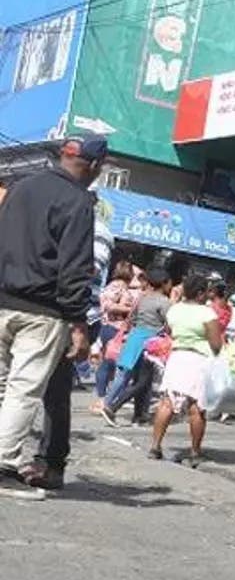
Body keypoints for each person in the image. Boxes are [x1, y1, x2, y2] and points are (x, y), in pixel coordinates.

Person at [0, 135, 104, 499]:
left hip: (2, 301)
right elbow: (75, 267)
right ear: (94, 166)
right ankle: (3, 466)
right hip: (41, 311)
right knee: (23, 390)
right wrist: (78, 322)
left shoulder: (20, 187)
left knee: (1, 386)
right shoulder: (78, 201)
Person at [148, 275, 223, 466]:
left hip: (176, 358)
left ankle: (155, 446)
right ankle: (195, 452)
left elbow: (169, 331)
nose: (208, 295)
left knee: (167, 402)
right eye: (206, 291)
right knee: (196, 408)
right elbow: (216, 345)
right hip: (197, 360)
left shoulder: (175, 310)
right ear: (199, 294)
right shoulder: (207, 314)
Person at [101, 269, 172, 426]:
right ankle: (112, 407)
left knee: (141, 379)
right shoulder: (165, 302)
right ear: (164, 283)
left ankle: (139, 415)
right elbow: (170, 324)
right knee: (143, 380)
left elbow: (132, 318)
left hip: (135, 338)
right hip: (151, 342)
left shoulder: (142, 298)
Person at [92, 259, 137, 411]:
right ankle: (104, 399)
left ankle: (104, 397)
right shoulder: (117, 287)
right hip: (115, 328)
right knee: (112, 364)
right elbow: (108, 306)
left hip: (108, 327)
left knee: (107, 362)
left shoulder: (113, 286)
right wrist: (129, 310)